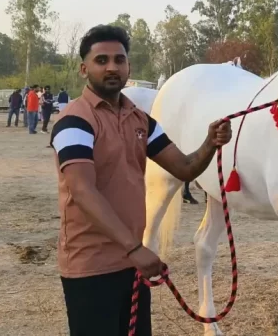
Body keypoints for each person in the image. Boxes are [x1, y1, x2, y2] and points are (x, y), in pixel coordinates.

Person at [51, 25, 232, 336]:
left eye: (119, 60)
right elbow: (82, 190)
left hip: (132, 266)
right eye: (102, 60)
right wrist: (136, 247)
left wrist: (210, 143)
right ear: (84, 69)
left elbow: (186, 168)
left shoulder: (140, 120)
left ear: (128, 67)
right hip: (91, 266)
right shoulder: (74, 121)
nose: (112, 67)